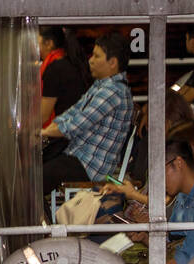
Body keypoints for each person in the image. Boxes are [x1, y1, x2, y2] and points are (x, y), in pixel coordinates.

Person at [41, 31, 135, 197]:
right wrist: (52, 128)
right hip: (78, 157)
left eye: (97, 56)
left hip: (89, 168)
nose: (90, 60)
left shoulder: (113, 92)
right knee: (35, 173)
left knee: (33, 180)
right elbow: (73, 111)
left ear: (112, 62)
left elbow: (76, 125)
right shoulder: (102, 85)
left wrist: (44, 132)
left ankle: (40, 220)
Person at [39, 26, 88, 129]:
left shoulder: (55, 69)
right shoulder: (70, 61)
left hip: (61, 133)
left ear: (49, 43)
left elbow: (43, 115)